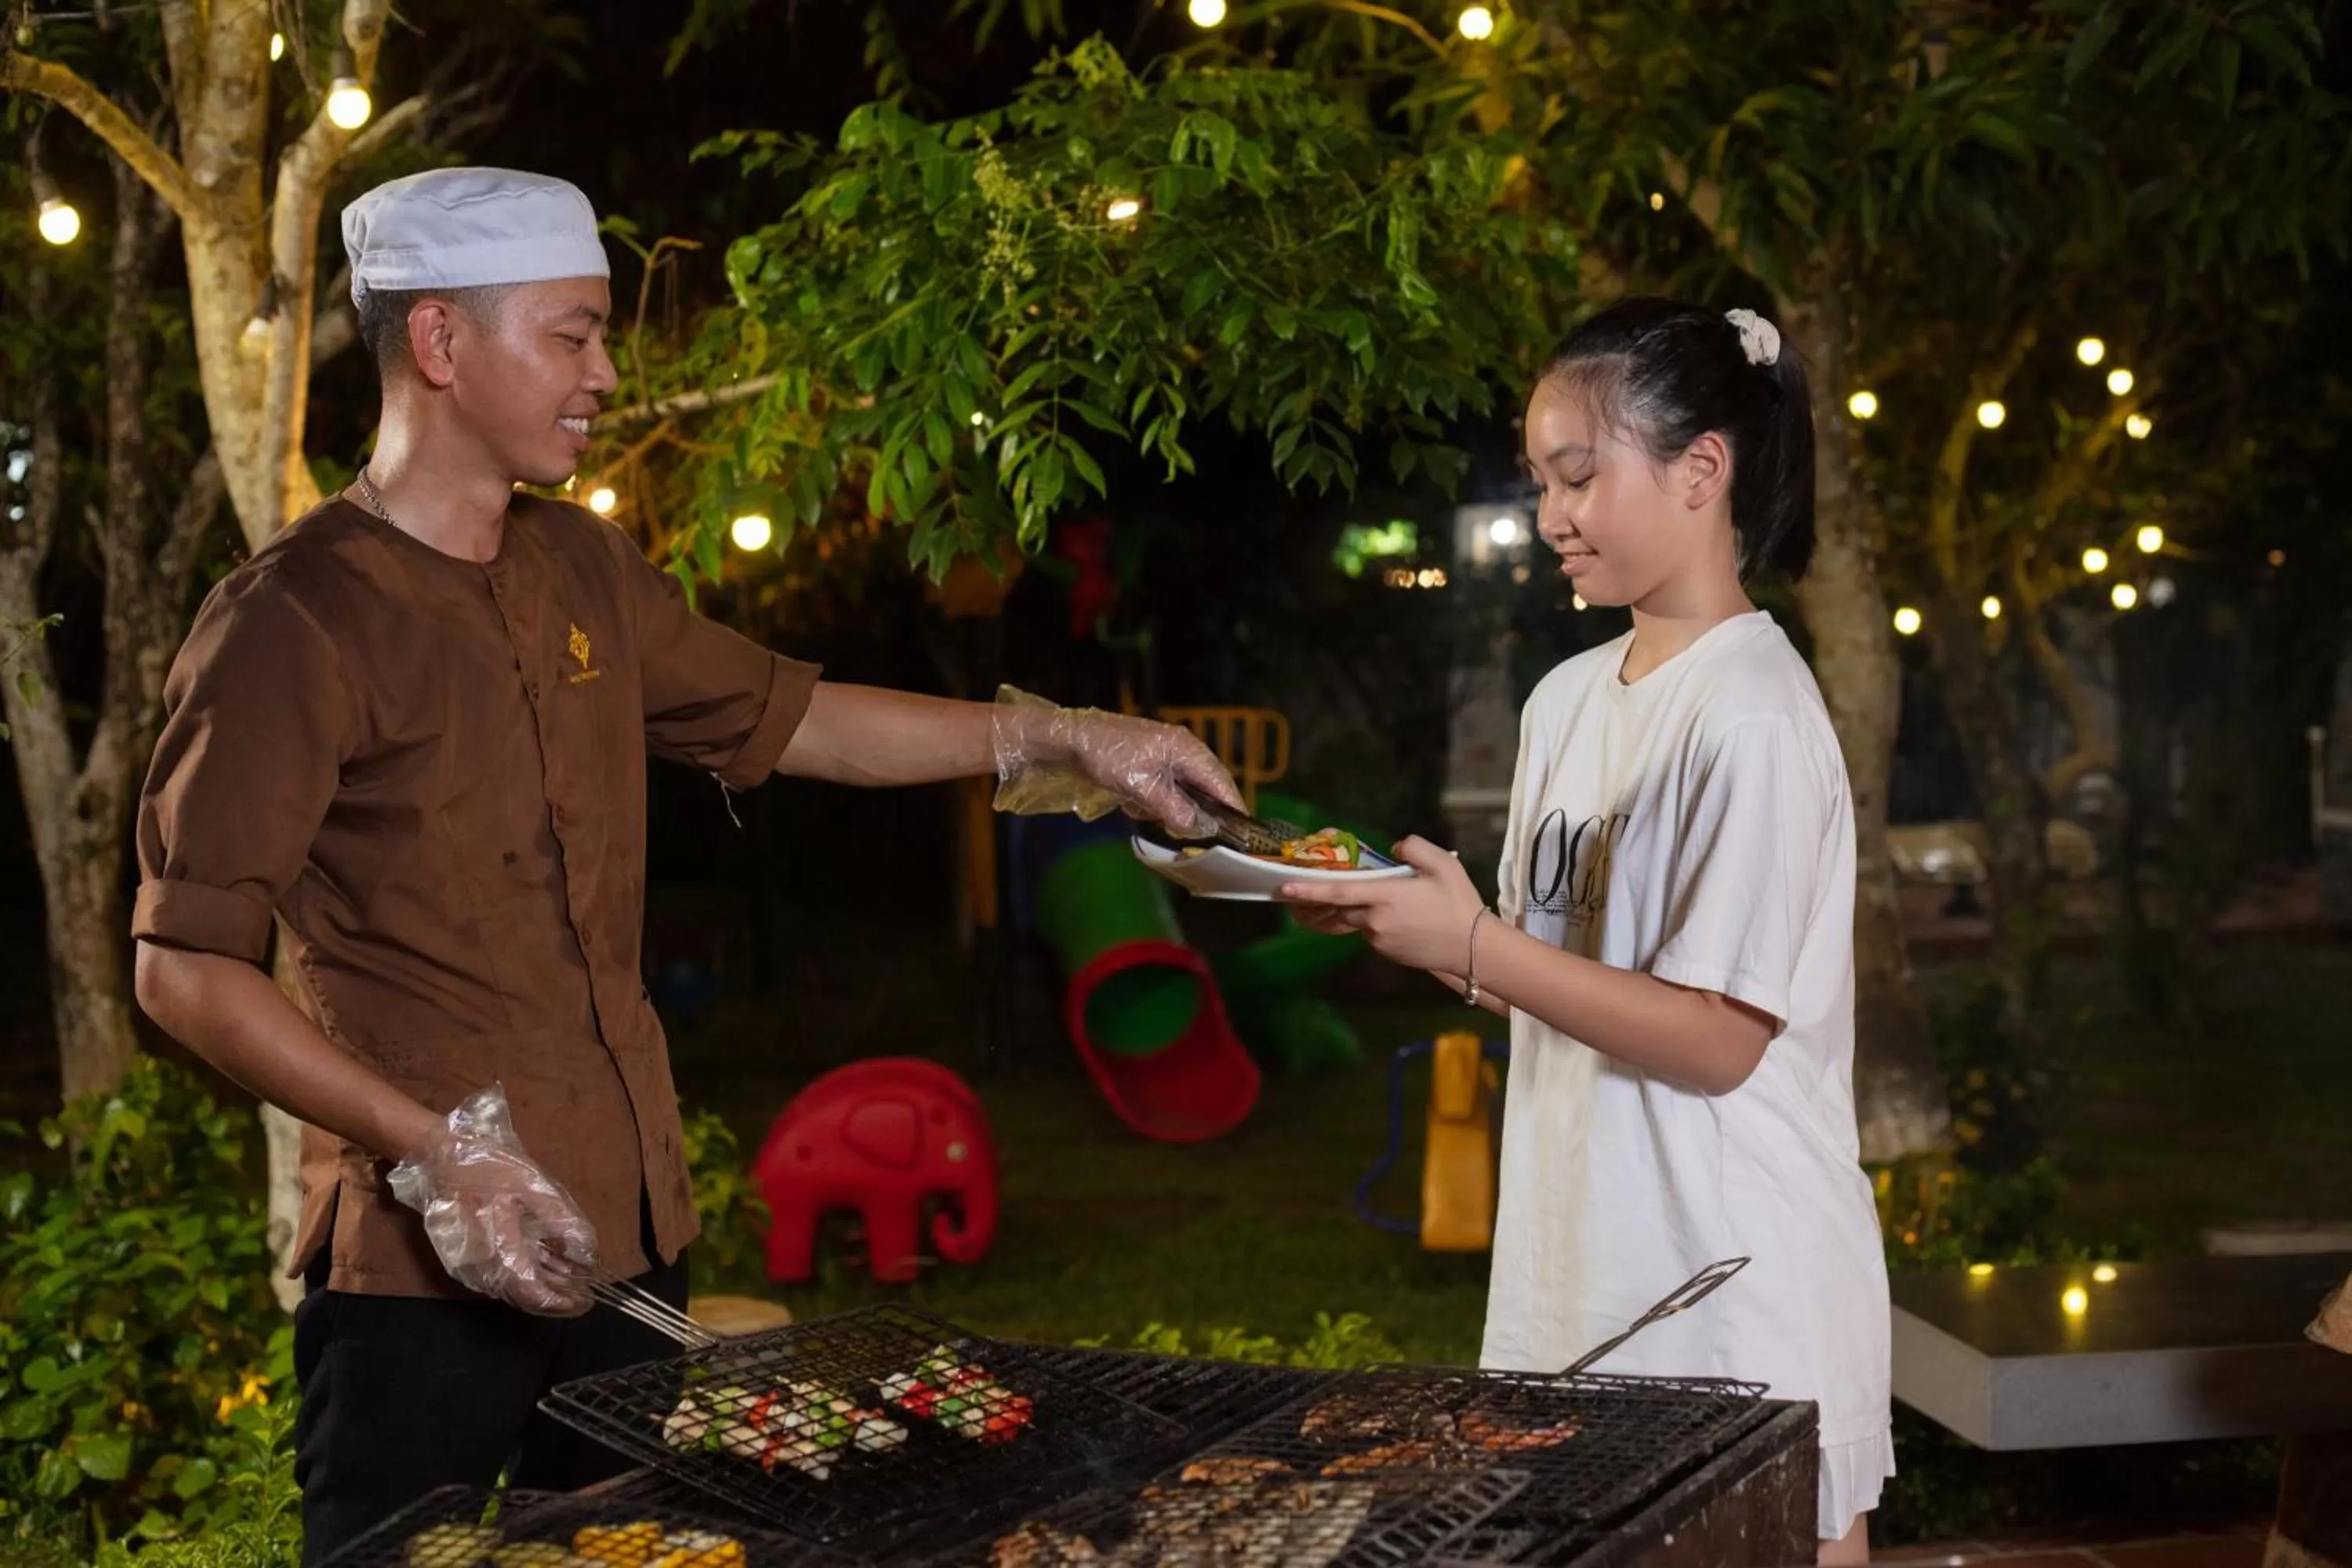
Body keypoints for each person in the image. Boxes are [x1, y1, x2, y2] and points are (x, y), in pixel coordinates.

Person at [128, 167, 1240, 1564]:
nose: (607, 374)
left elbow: (804, 718)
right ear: (440, 346)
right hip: (421, 1272)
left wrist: (1077, 738)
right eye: (573, 335)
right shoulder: (292, 621)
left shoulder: (586, 566)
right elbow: (181, 967)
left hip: (628, 1236)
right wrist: (436, 1154)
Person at [1279, 298, 1893, 1563]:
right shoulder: (1565, 700)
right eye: (1541, 482)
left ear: (1700, 469)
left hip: (1733, 1285)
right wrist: (1431, 932)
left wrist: (1476, 945)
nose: (1552, 515)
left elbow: (1721, 1041)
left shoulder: (1756, 717)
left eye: (1579, 476)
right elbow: (1566, 980)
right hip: (1581, 1264)